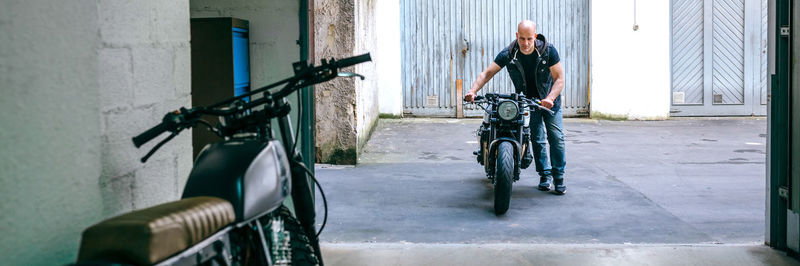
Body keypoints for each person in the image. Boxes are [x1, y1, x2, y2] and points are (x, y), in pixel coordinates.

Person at [464, 20, 567, 195]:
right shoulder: (509, 53)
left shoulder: (549, 51)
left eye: (529, 39)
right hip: (527, 102)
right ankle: (545, 176)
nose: (526, 44)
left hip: (550, 102)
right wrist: (472, 90)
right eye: (522, 39)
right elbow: (487, 73)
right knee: (537, 139)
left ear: (535, 37)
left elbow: (559, 79)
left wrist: (550, 97)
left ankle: (559, 178)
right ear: (516, 36)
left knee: (556, 138)